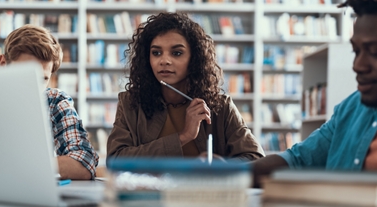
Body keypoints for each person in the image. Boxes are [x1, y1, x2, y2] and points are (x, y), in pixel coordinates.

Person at [252, 0, 377, 187]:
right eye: (356, 51)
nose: (358, 65)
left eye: (375, 51)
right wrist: (227, 173)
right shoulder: (350, 110)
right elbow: (297, 161)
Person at [107, 12, 264, 161]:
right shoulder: (131, 103)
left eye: (176, 53)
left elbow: (255, 158)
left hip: (203, 189)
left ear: (194, 59)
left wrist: (221, 166)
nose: (164, 61)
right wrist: (183, 136)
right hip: (150, 189)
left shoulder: (220, 107)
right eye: (156, 53)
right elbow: (116, 159)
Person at [0, 24, 99, 180]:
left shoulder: (55, 102)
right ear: (3, 64)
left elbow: (84, 163)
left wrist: (21, 166)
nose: (33, 88)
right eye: (26, 75)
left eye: (43, 79)